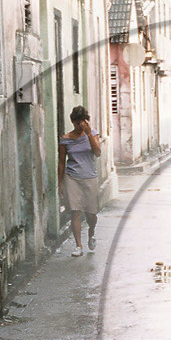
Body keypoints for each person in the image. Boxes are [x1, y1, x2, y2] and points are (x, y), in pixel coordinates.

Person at [59, 105, 102, 256]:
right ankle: (78, 246)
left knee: (91, 213)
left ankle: (91, 232)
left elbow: (97, 153)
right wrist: (60, 183)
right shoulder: (65, 139)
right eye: (77, 123)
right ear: (72, 122)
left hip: (90, 177)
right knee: (75, 212)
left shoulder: (93, 134)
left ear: (87, 122)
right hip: (72, 177)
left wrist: (89, 134)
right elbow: (61, 162)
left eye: (82, 123)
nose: (79, 126)